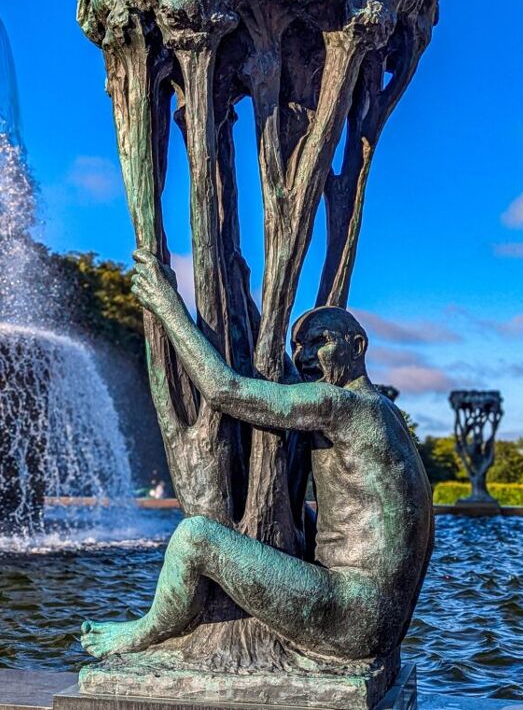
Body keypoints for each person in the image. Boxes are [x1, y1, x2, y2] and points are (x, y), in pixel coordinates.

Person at [81, 250, 433, 662]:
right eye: (299, 345)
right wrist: (245, 300)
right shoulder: (386, 415)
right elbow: (278, 378)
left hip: (347, 615)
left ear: (357, 347)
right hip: (383, 624)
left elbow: (224, 390)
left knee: (196, 537)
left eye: (320, 343)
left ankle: (147, 630)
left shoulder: (342, 406)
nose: (303, 358)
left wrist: (166, 304)